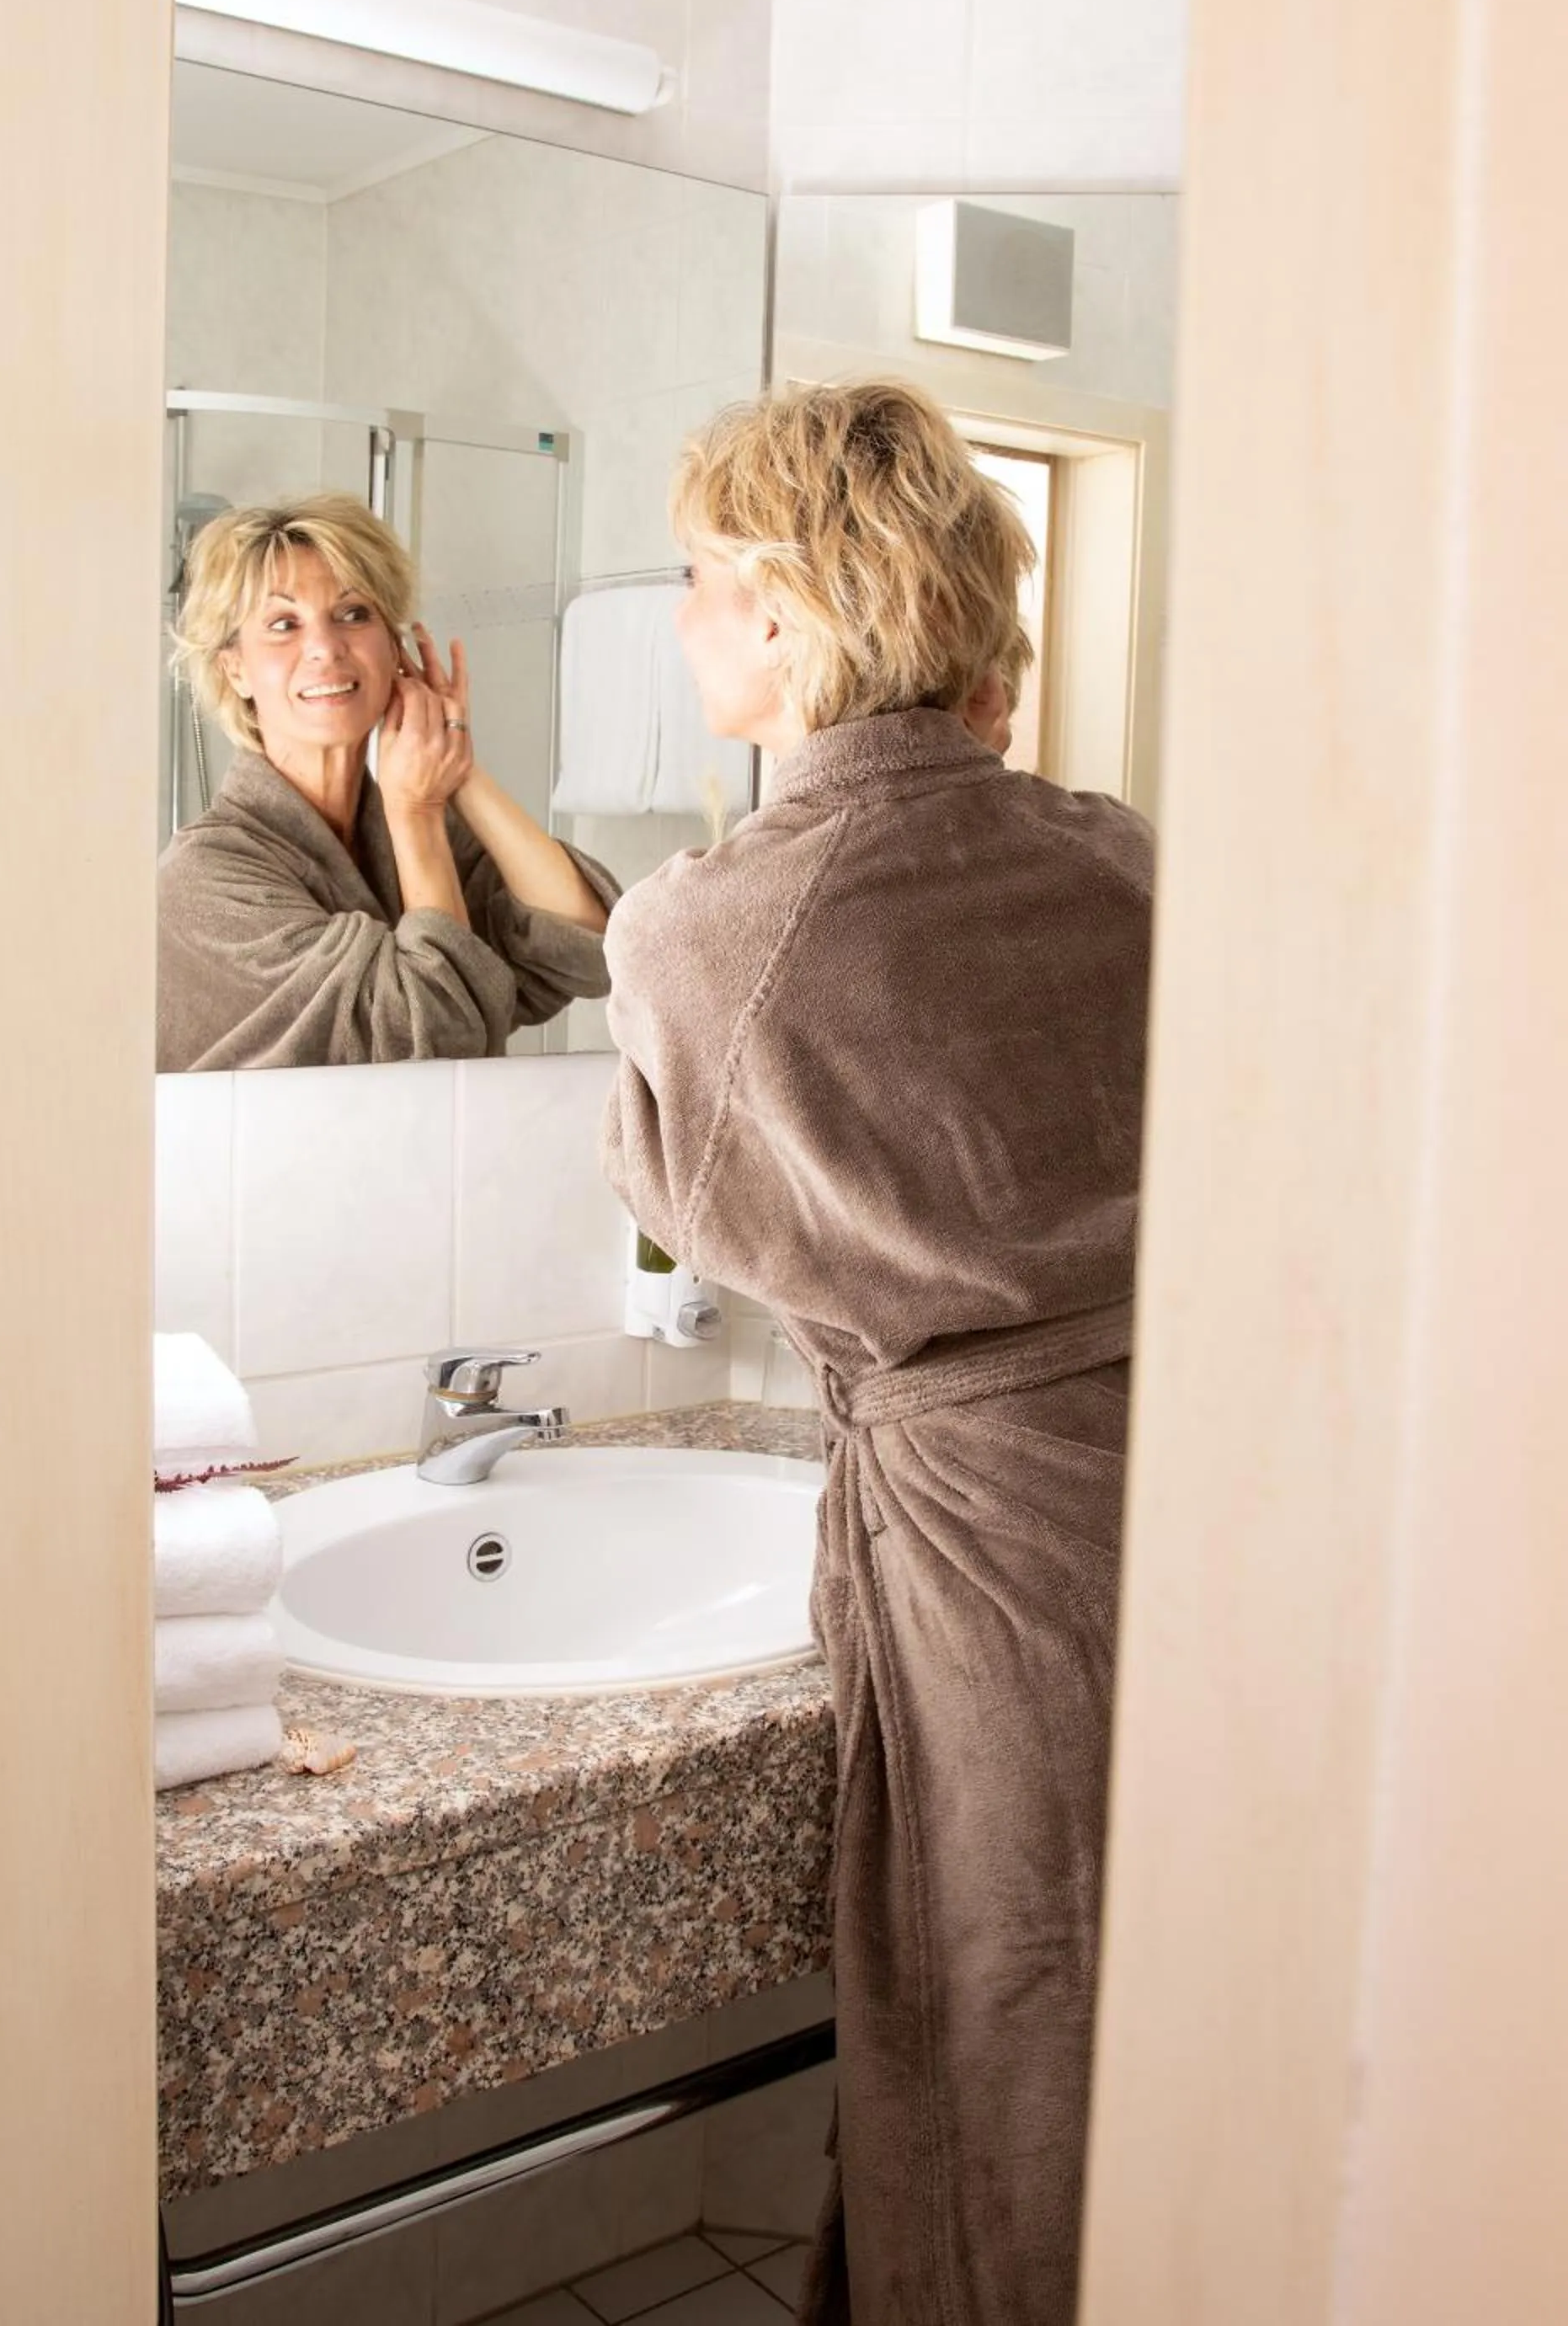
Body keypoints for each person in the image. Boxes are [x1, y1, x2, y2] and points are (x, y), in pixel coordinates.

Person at [600, 381, 1154, 2325]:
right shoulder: (1116, 852)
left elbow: (688, 1199)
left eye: (697, 576)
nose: (681, 617)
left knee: (1012, 2023)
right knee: (1147, 2029)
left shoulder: (707, 924)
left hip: (993, 1561)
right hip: (1188, 1503)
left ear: (782, 607)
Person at [158, 494, 615, 1070]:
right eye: (283, 625)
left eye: (353, 614)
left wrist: (458, 768)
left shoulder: (399, 825)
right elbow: (433, 1043)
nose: (325, 647)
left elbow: (590, 944)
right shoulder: (206, 881)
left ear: (394, 649)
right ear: (235, 669)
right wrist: (416, 811)